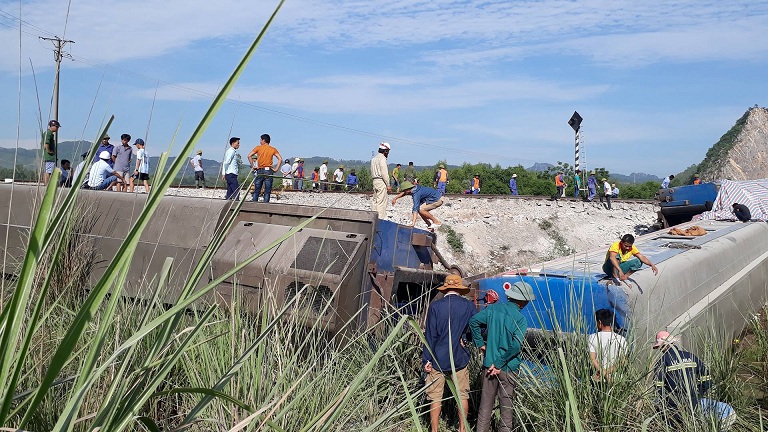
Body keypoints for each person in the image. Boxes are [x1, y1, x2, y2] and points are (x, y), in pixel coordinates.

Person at [469, 281, 535, 432]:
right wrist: (499, 364)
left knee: (485, 407)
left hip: (489, 365)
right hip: (508, 368)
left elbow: (473, 322)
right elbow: (516, 346)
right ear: (523, 301)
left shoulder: (493, 309)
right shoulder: (520, 319)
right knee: (506, 410)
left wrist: (480, 344)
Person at [422, 275, 477, 432]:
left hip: (437, 358)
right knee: (462, 395)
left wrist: (426, 359)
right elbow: (478, 327)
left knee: (435, 397)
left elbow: (430, 335)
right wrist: (466, 339)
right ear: (460, 289)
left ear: (445, 289)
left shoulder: (435, 306)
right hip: (460, 358)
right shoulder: (468, 306)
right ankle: (462, 429)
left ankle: (434, 430)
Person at [652, 331, 735, 428]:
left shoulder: (662, 361)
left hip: (673, 408)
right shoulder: (691, 357)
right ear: (673, 343)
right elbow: (707, 380)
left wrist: (664, 403)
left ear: (662, 346)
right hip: (693, 403)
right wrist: (697, 394)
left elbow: (658, 388)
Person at [588, 309, 627, 382]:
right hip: (617, 379)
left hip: (598, 379)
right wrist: (607, 372)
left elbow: (592, 359)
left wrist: (603, 373)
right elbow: (622, 362)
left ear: (599, 322)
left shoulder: (592, 337)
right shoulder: (622, 339)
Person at [248, 134, 282, 203]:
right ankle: (265, 205)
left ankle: (254, 204)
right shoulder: (273, 149)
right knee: (267, 191)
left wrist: (253, 166)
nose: (260, 141)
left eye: (260, 140)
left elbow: (249, 156)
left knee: (257, 190)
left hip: (260, 170)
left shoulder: (258, 148)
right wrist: (276, 169)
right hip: (269, 171)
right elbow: (280, 159)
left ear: (264, 140)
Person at [370, 142, 392, 218]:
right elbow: (384, 173)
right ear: (385, 151)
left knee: (374, 201)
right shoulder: (382, 159)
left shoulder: (374, 159)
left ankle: (372, 218)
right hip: (381, 181)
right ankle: (380, 220)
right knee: (381, 202)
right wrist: (388, 185)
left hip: (374, 181)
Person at [42, 119, 60, 185]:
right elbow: (46, 143)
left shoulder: (50, 134)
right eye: (57, 127)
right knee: (49, 171)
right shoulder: (48, 133)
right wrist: (49, 151)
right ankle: (47, 184)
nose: (57, 128)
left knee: (48, 170)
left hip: (50, 156)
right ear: (52, 126)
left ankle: (46, 184)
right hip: (49, 156)